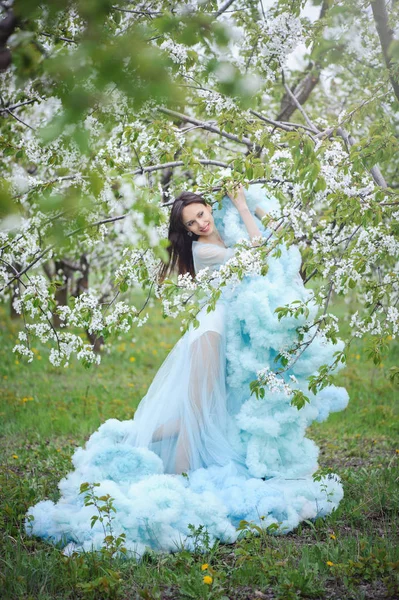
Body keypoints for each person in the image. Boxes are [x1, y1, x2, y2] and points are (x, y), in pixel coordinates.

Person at [26, 183, 349, 557]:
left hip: (217, 334)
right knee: (195, 414)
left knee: (199, 413)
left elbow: (276, 238)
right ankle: (162, 471)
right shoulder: (206, 251)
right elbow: (259, 252)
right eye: (193, 221)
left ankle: (144, 446)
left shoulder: (221, 235)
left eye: (202, 212)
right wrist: (244, 206)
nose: (201, 221)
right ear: (189, 232)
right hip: (209, 335)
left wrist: (256, 206)